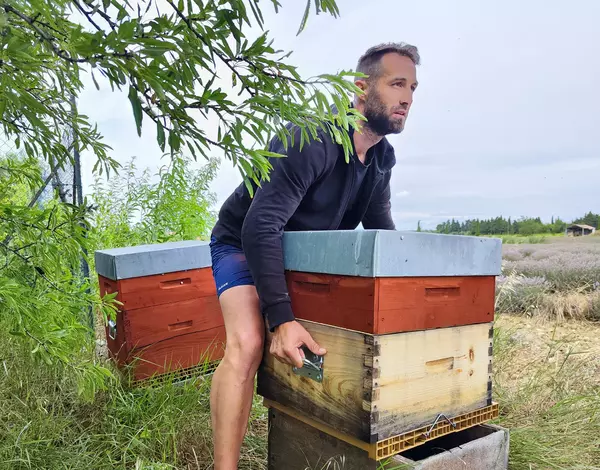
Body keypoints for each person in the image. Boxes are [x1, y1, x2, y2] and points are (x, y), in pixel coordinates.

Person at [208, 42, 420, 469]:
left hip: (302, 259)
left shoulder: (382, 158)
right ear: (361, 88)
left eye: (414, 88)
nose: (408, 98)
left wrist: (410, 291)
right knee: (249, 344)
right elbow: (259, 227)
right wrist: (281, 319)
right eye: (397, 83)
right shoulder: (310, 141)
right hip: (242, 243)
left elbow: (381, 229)